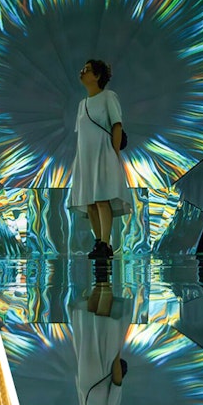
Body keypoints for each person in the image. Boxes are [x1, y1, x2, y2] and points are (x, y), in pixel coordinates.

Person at [69, 59, 131, 259]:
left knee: (102, 199)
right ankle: (98, 242)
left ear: (97, 76)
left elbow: (117, 125)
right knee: (90, 202)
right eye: (83, 68)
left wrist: (114, 153)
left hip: (103, 153)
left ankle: (106, 242)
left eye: (87, 70)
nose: (82, 72)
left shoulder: (108, 97)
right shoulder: (82, 105)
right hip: (85, 157)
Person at [75, 282, 129, 405]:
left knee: (88, 318)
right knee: (102, 320)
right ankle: (104, 277)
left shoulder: (82, 404)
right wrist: (115, 354)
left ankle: (97, 282)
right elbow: (117, 382)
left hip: (85, 354)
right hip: (104, 359)